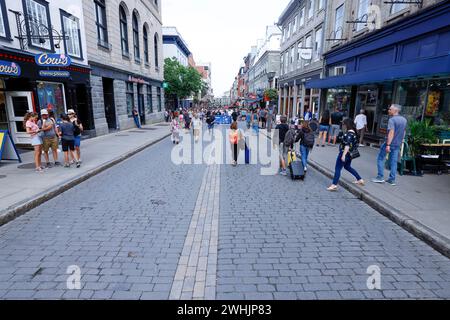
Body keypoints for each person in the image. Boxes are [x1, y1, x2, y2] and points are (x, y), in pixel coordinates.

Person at [372, 104, 407, 186]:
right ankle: (392, 179)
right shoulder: (404, 120)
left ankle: (380, 177)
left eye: (390, 109)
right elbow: (404, 131)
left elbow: (391, 132)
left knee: (380, 158)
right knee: (394, 162)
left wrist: (388, 144)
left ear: (396, 110)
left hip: (390, 143)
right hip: (397, 143)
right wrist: (401, 140)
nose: (389, 110)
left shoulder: (392, 120)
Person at [327, 119, 364, 191]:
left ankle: (334, 184)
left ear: (347, 125)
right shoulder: (354, 133)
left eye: (343, 124)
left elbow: (347, 145)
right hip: (350, 154)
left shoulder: (349, 134)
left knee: (337, 168)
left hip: (345, 153)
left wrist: (343, 155)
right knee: (347, 167)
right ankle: (359, 179)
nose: (342, 126)